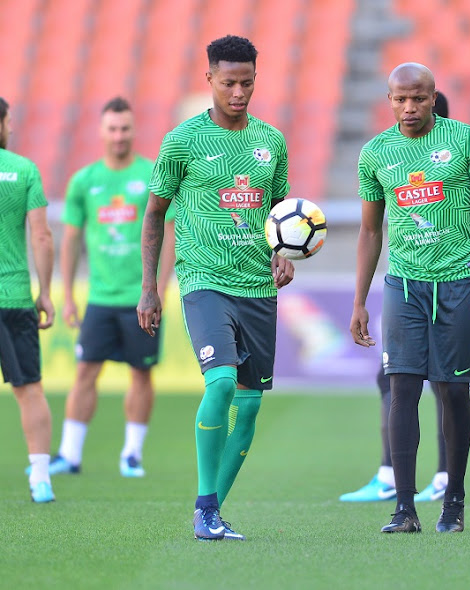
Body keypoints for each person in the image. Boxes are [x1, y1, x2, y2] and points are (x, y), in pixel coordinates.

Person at [137, 35, 295, 542]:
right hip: (204, 281)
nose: (238, 92)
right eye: (228, 83)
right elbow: (154, 215)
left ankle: (211, 513)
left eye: (247, 82)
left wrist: (281, 255)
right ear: (209, 80)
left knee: (248, 408)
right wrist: (149, 287)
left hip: (258, 289)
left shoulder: (272, 142)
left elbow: (278, 215)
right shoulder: (182, 141)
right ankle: (207, 507)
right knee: (221, 383)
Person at [351, 63, 470, 534]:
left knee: (453, 391)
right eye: (400, 99)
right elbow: (369, 229)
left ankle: (453, 503)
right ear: (389, 100)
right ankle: (404, 509)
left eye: (418, 98)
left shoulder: (466, 141)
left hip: (458, 284)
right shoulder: (375, 152)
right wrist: (359, 300)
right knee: (402, 389)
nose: (409, 107)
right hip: (403, 286)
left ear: (433, 96)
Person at [43, 97, 175, 479]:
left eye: (125, 128)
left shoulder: (152, 174)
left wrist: (160, 288)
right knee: (85, 370)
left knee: (141, 373)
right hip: (100, 297)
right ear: (102, 132)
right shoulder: (84, 181)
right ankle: (70, 454)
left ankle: (132, 454)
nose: (119, 135)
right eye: (113, 129)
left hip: (141, 297)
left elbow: (169, 233)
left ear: (134, 131)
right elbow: (70, 241)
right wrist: (67, 295)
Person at [0, 97, 56, 502]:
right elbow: (41, 235)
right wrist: (46, 292)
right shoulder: (23, 171)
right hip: (15, 297)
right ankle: (41, 478)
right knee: (30, 389)